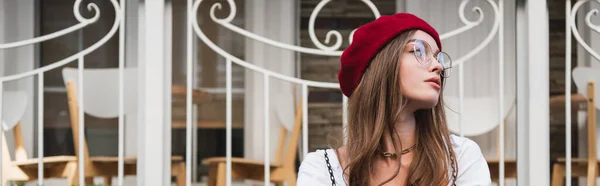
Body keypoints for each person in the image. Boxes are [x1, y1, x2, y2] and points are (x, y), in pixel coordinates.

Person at [296, 13, 491, 186]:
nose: (438, 67)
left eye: (438, 58)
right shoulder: (322, 169)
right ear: (381, 64)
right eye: (419, 51)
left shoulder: (461, 158)